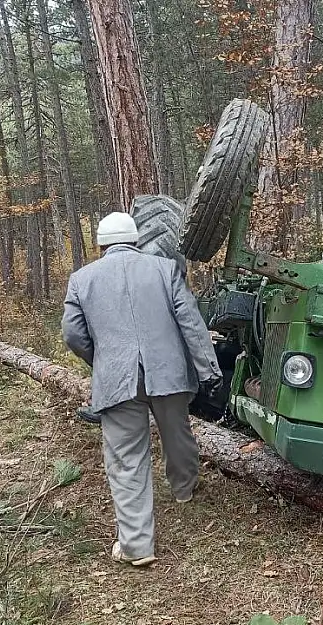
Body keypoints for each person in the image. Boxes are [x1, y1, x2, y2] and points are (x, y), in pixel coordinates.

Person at [61, 212, 221, 567]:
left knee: (126, 457)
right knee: (178, 433)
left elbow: (72, 334)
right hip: (169, 374)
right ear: (135, 239)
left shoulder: (81, 279)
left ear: (101, 244)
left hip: (118, 380)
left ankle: (136, 546)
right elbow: (191, 323)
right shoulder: (165, 269)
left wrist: (101, 359)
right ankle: (184, 489)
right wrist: (208, 369)